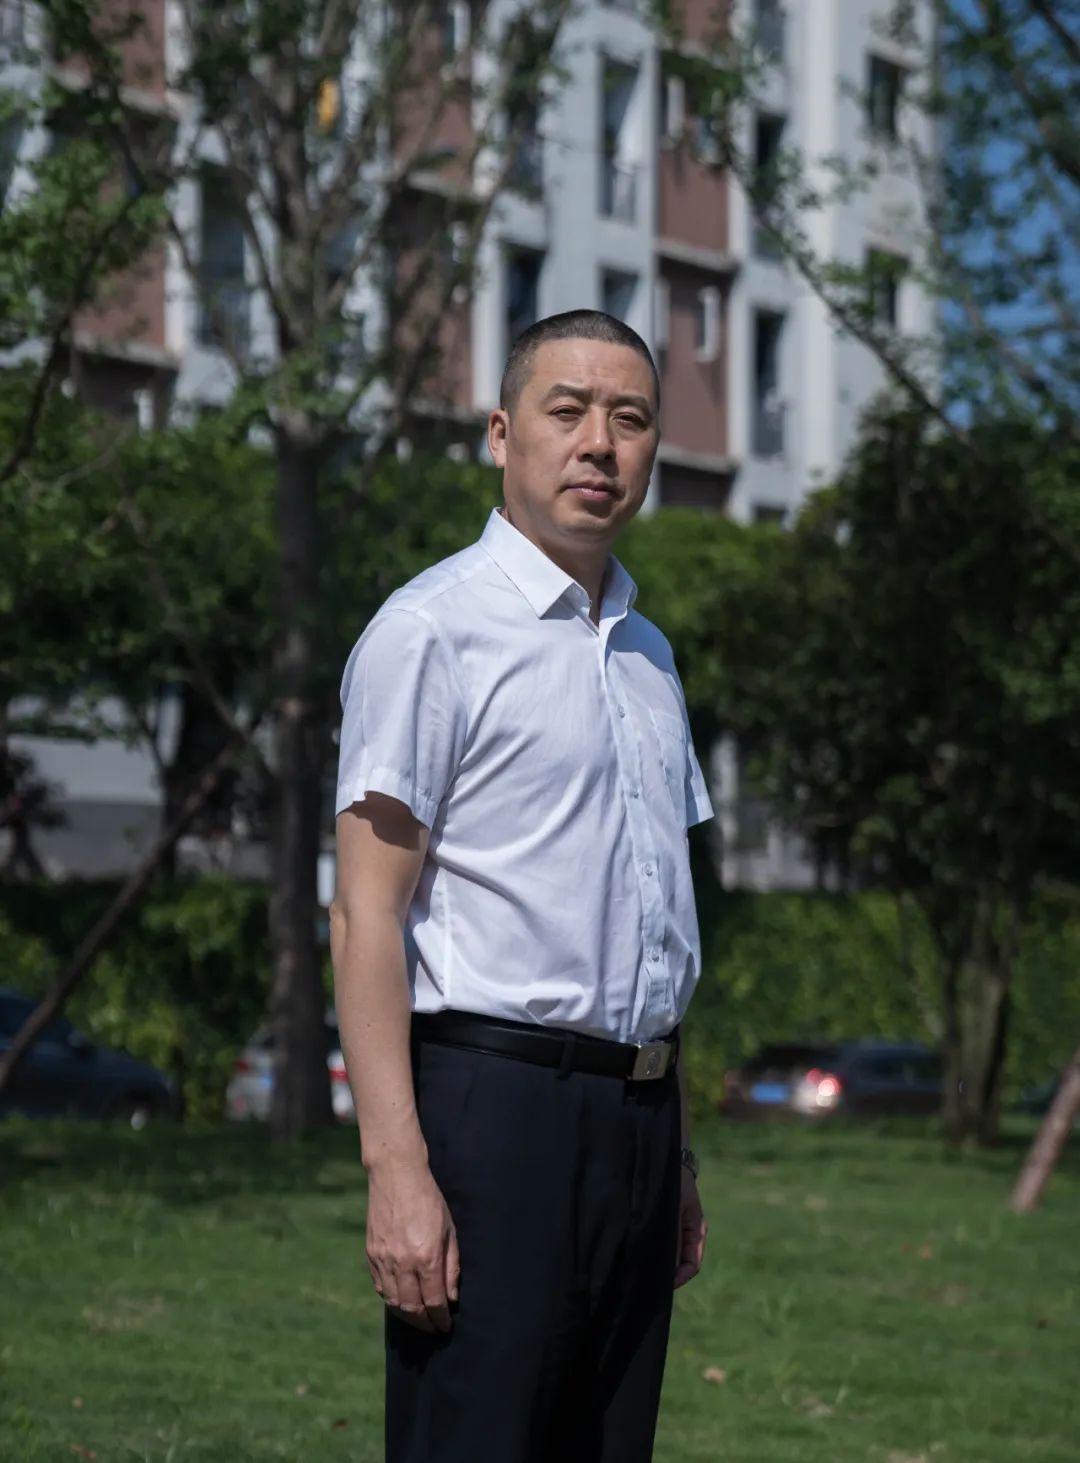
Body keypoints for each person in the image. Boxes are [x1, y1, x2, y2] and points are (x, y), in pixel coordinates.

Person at [330, 310, 714, 1463]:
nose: (600, 442)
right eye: (568, 410)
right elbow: (365, 912)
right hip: (493, 1115)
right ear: (502, 433)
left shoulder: (650, 657)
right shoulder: (429, 632)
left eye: (630, 418)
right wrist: (396, 1167)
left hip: (638, 1120)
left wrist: (676, 1150)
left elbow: (654, 918)